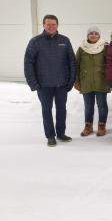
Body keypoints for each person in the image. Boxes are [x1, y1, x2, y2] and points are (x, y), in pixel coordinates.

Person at [24, 14, 76, 147]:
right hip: (43, 84)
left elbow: (72, 62)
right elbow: (28, 63)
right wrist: (33, 83)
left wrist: (71, 80)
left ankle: (61, 133)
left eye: (54, 24)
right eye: (48, 24)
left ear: (57, 25)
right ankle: (50, 136)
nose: (51, 27)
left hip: (61, 84)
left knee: (61, 110)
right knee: (46, 110)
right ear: (43, 25)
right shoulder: (35, 42)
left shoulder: (65, 40)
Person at [75, 26, 110, 137]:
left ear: (99, 35)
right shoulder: (82, 48)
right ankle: (88, 126)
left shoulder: (105, 47)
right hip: (86, 81)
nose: (93, 35)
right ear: (87, 35)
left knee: (102, 105)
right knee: (88, 105)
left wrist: (110, 79)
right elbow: (76, 65)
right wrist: (76, 80)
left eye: (96, 33)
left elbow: (110, 63)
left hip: (101, 80)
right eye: (91, 33)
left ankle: (102, 125)